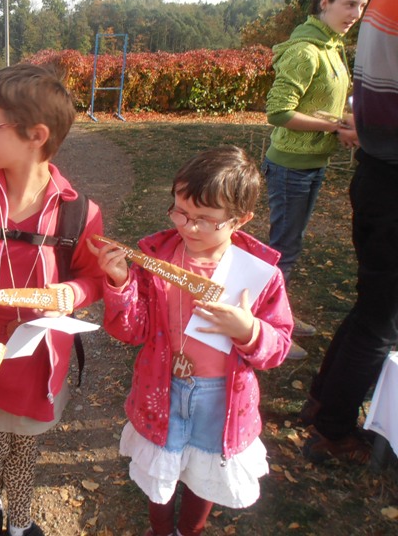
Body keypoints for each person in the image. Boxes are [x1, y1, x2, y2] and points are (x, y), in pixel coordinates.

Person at [0, 64, 104, 536]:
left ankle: (21, 518)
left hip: (40, 362)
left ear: (36, 134)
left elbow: (92, 278)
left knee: (26, 447)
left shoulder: (80, 213)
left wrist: (71, 292)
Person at [90, 146, 292, 536]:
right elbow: (132, 331)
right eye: (179, 211)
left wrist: (247, 331)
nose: (188, 227)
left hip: (222, 396)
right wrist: (120, 283)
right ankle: (161, 530)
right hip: (161, 385)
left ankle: (189, 531)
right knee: (160, 469)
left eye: (204, 219)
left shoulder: (259, 275)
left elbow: (278, 346)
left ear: (240, 220)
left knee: (205, 470)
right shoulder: (157, 259)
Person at [301, 0, 398, 464]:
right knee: (381, 318)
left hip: (378, 171)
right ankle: (333, 426)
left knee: (372, 306)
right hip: (391, 178)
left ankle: (322, 401)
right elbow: (282, 110)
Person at [262, 0, 374, 357]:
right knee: (283, 249)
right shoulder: (307, 50)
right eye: (348, 4)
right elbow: (278, 111)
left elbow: (324, 102)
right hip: (291, 165)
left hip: (312, 163)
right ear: (324, 2)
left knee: (291, 245)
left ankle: (282, 315)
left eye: (361, 6)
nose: (355, 13)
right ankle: (269, 327)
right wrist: (333, 128)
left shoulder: (333, 45)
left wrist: (342, 120)